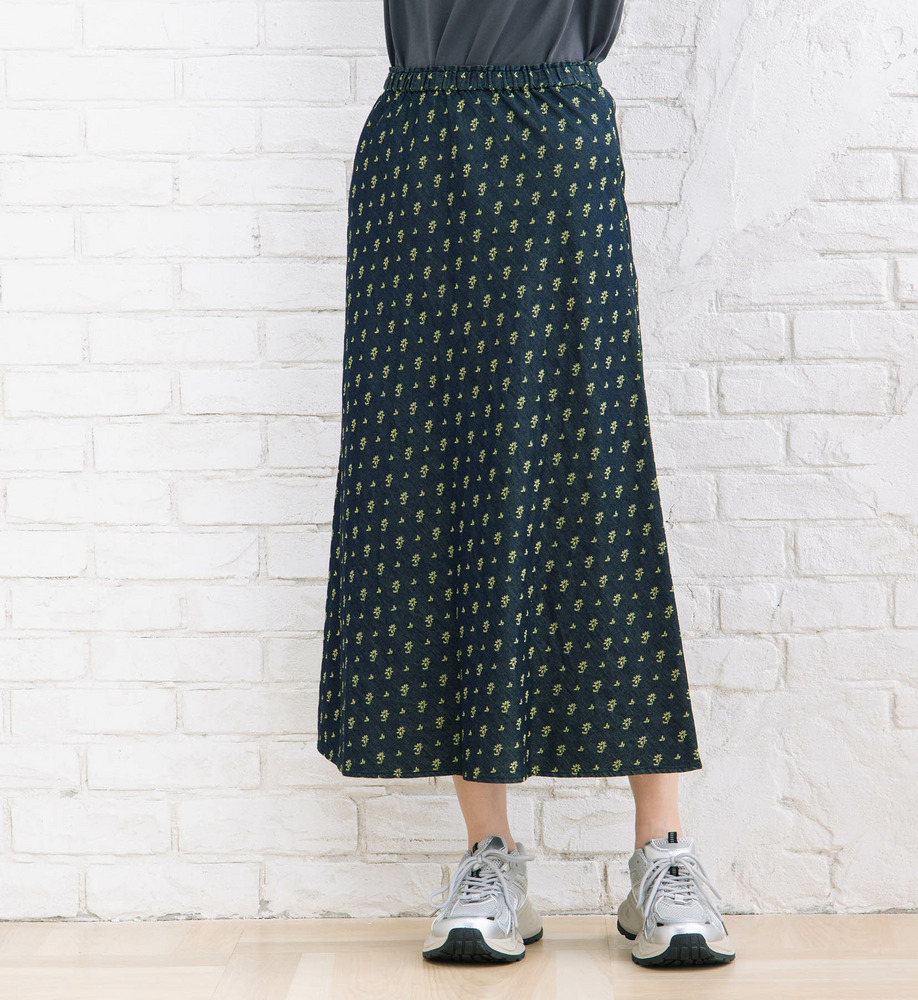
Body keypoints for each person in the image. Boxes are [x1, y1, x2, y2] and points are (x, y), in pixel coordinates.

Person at [316, 0, 736, 969]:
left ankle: (661, 852)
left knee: (600, 476)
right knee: (433, 481)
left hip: (556, 134)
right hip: (421, 142)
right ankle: (490, 855)